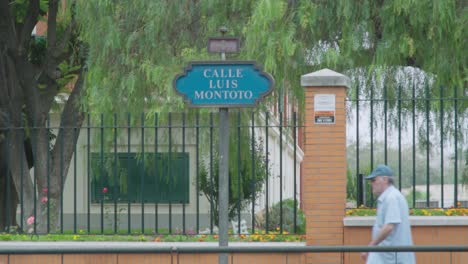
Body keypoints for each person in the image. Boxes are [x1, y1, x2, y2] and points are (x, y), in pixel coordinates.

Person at [360, 164, 416, 264]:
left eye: (374, 180)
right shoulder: (389, 197)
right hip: (386, 255)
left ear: (385, 179)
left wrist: (370, 246)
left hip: (392, 257)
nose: (371, 184)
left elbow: (389, 226)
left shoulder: (391, 198)